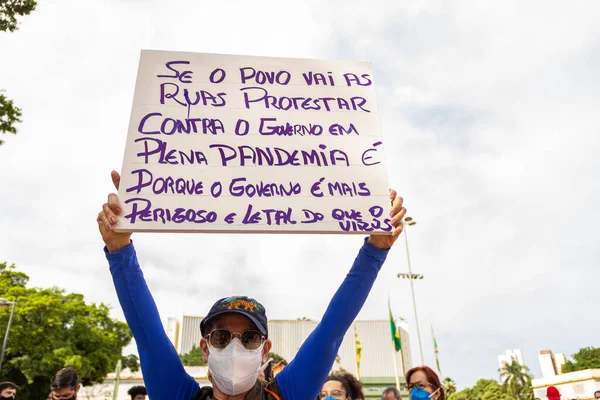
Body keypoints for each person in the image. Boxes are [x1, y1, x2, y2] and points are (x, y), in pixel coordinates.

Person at [97, 171, 406, 400]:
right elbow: (148, 334)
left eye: (248, 337)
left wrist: (376, 250)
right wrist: (119, 249)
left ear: (264, 350)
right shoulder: (179, 396)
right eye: (221, 336)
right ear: (204, 348)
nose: (234, 347)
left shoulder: (288, 394)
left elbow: (332, 330)